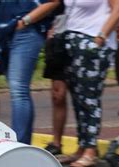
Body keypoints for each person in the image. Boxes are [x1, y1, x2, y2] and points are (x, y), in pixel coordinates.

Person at [61, 0, 119, 167]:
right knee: (77, 99)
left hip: (93, 41)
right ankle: (82, 146)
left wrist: (100, 38)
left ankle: (91, 150)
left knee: (90, 98)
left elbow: (118, 10)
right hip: (72, 40)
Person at [0, 0, 60, 144]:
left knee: (18, 90)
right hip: (6, 34)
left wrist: (25, 21)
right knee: (19, 90)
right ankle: (24, 142)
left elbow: (53, 2)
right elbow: (1, 12)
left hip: (27, 32)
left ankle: (18, 142)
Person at [43, 2, 67, 156]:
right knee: (58, 96)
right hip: (58, 39)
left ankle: (86, 143)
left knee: (82, 98)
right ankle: (56, 143)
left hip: (81, 37)